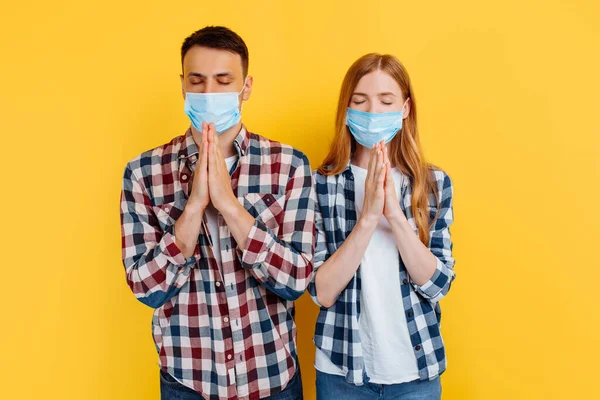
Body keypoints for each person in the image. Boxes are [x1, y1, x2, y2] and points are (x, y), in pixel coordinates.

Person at [119, 26, 315, 400]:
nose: (209, 93)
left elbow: (296, 278)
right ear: (182, 85)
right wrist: (193, 208)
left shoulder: (288, 165)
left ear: (246, 87)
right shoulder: (142, 172)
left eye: (224, 80)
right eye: (197, 81)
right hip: (188, 381)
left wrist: (228, 204)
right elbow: (147, 288)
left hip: (272, 379)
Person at [308, 53, 456, 400]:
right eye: (359, 101)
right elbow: (321, 291)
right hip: (341, 373)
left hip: (416, 374)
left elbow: (438, 284)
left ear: (405, 108)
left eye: (386, 101)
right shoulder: (320, 184)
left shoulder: (432, 183)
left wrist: (394, 215)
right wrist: (368, 219)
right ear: (345, 110)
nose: (373, 112)